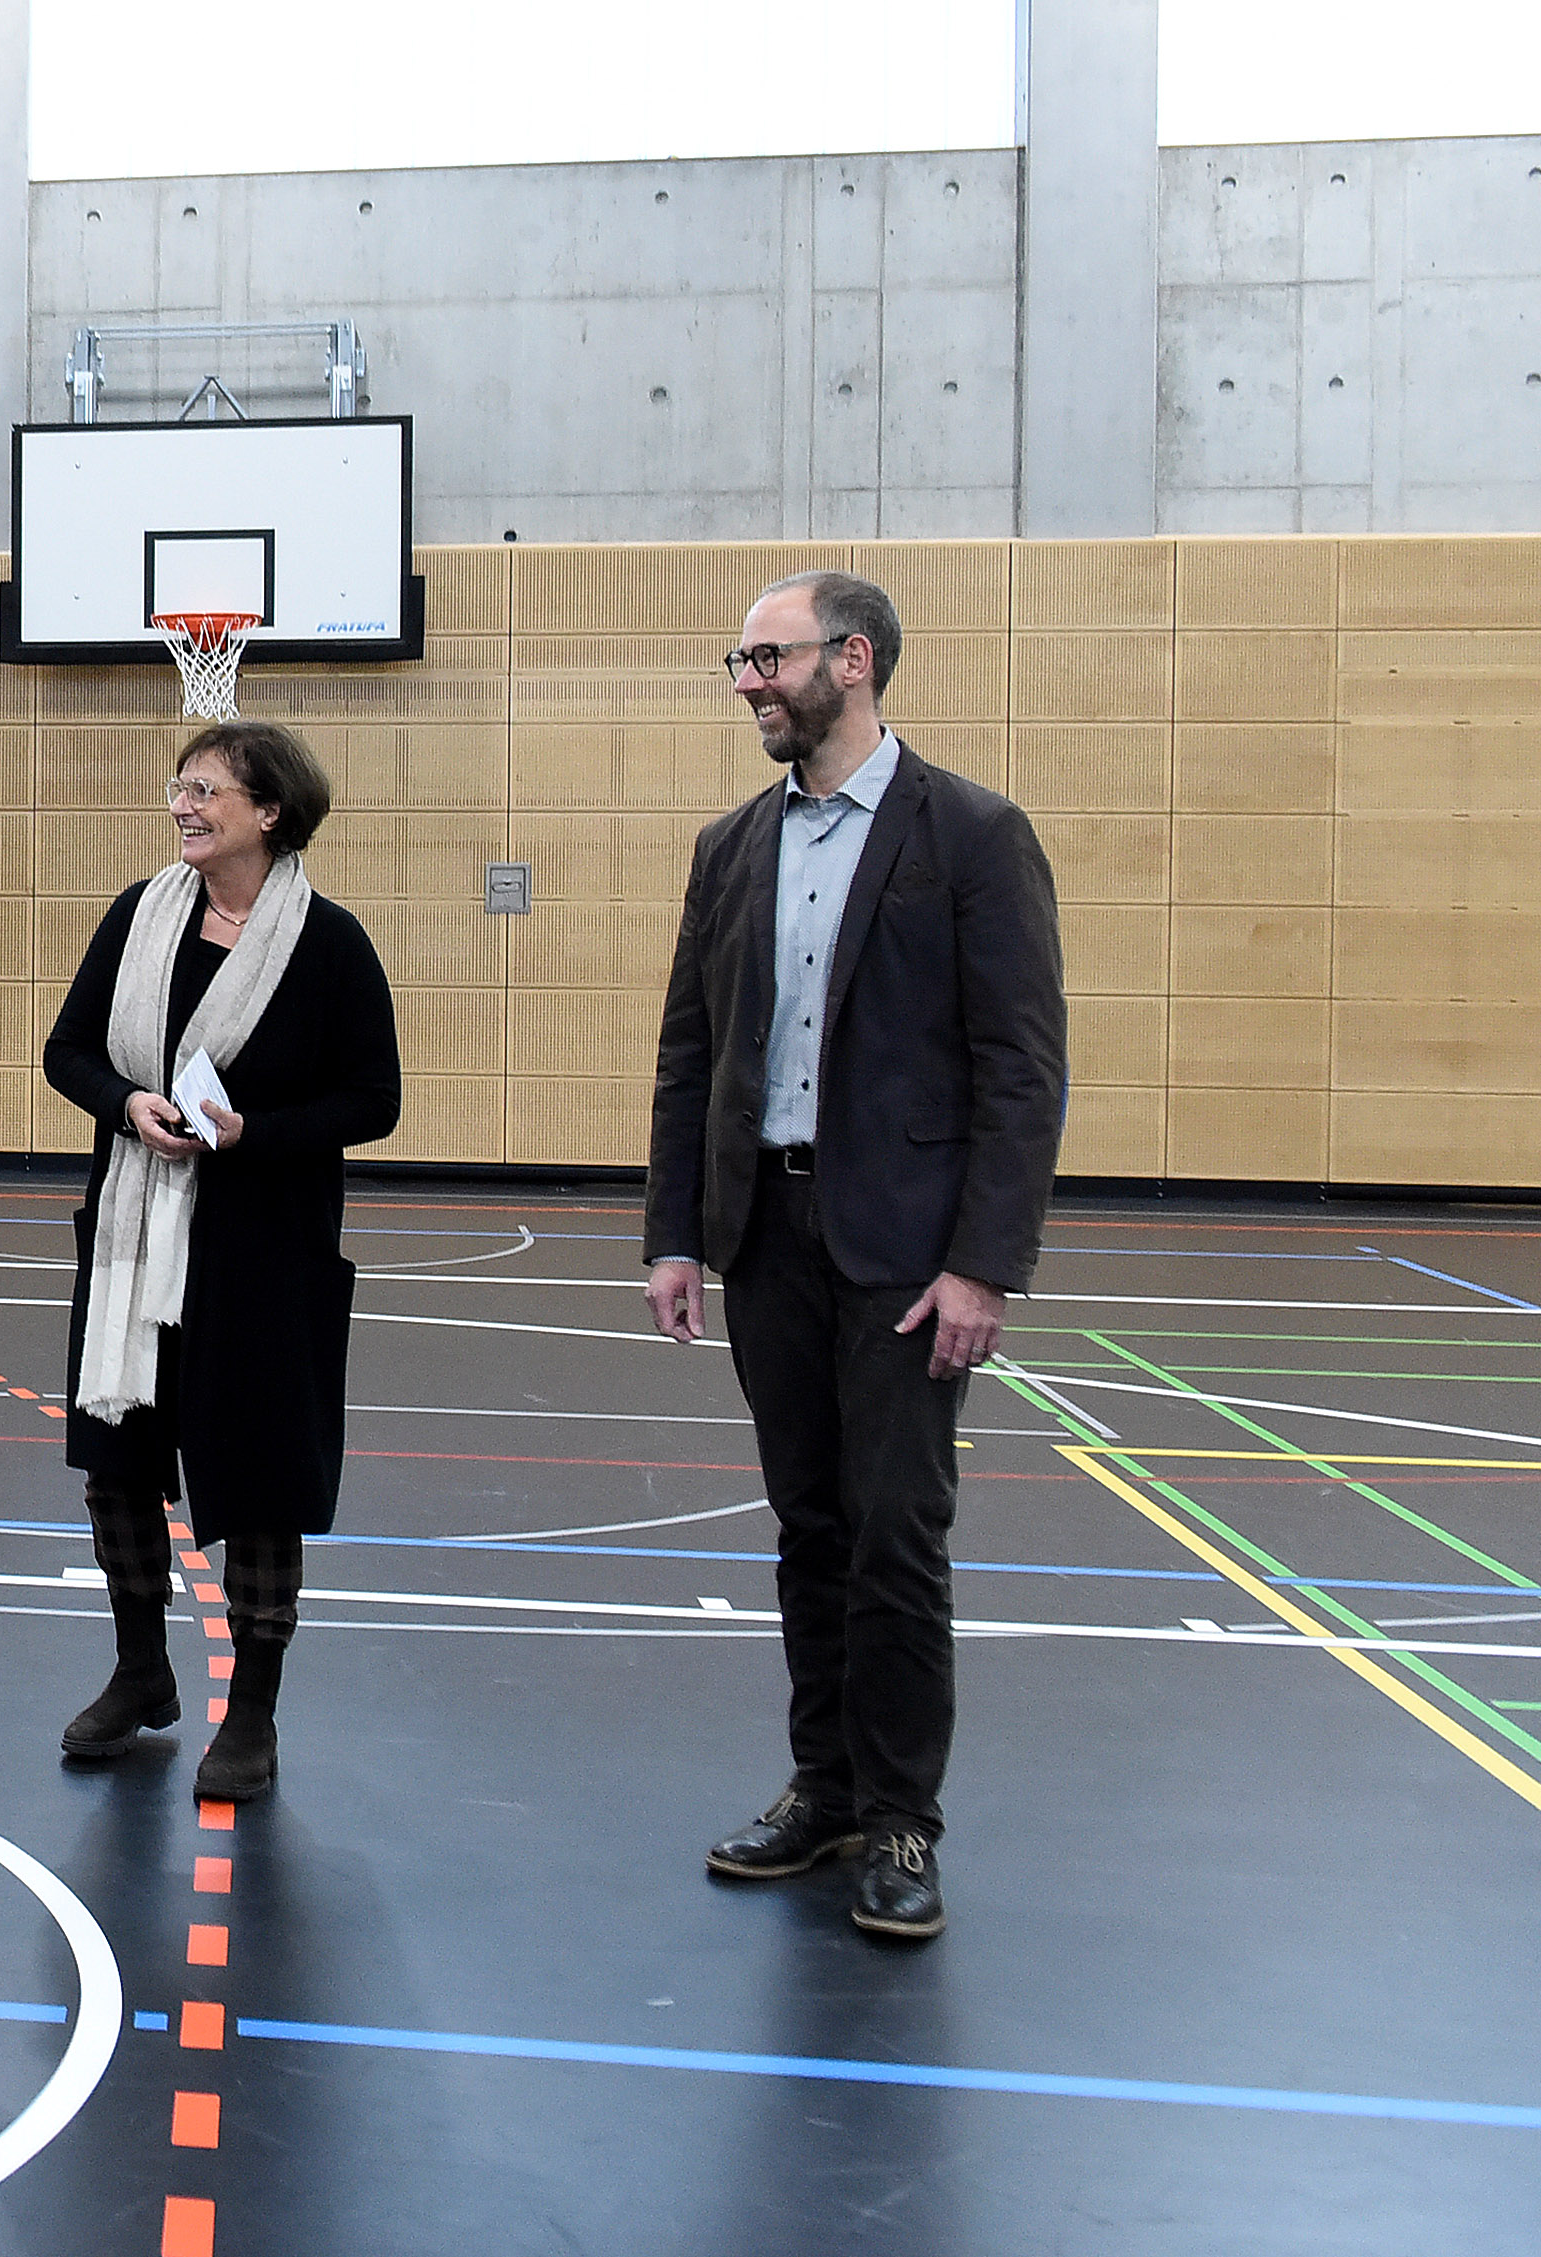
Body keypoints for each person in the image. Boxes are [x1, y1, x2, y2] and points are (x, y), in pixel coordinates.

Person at [644, 569, 1066, 1940]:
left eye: (766, 659)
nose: (748, 683)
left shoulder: (973, 835)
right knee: (809, 1529)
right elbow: (691, 1052)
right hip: (767, 1239)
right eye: (739, 662)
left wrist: (982, 1265)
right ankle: (822, 1787)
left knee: (895, 1538)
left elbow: (1021, 1070)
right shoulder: (728, 847)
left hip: (905, 1255)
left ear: (854, 658)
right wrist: (675, 1234)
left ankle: (899, 1818)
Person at [42, 718, 401, 1803]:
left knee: (258, 1481)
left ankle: (252, 1711)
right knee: (117, 1464)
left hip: (264, 1256)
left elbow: (372, 1100)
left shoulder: (328, 943)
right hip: (133, 1242)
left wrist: (255, 1134)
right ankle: (140, 1669)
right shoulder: (137, 916)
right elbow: (67, 1051)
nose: (183, 806)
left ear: (270, 812)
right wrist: (127, 1103)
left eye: (206, 790)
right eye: (181, 786)